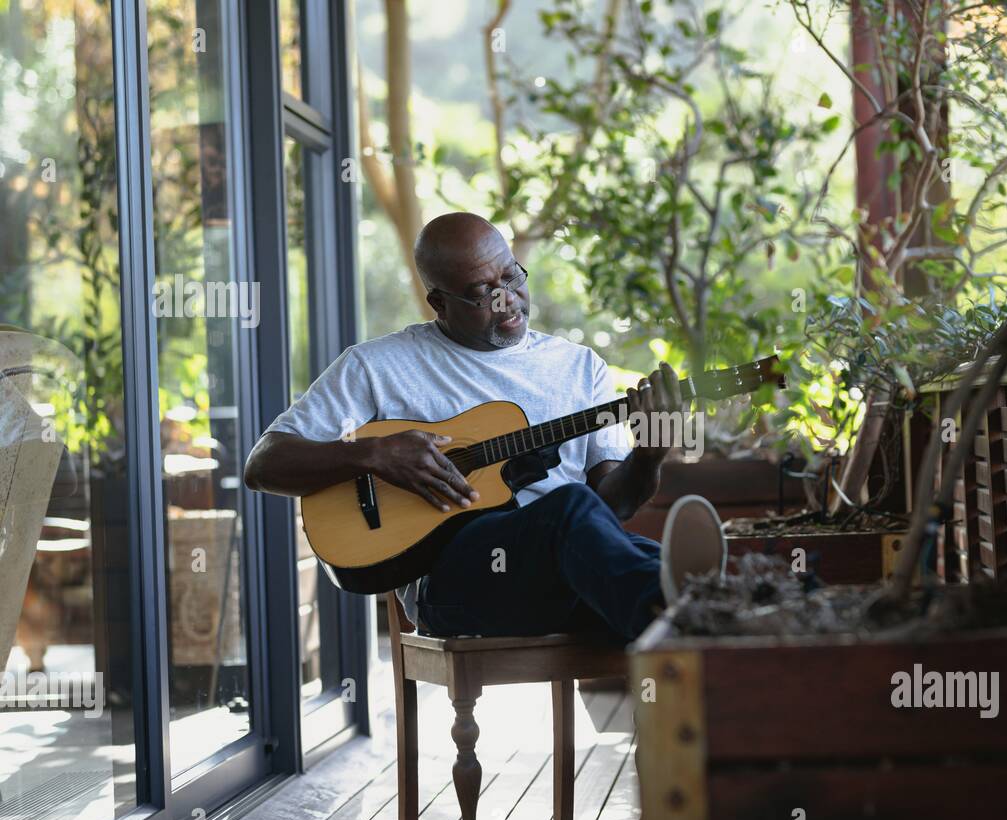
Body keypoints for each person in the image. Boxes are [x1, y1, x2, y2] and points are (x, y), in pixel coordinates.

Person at [243, 211, 723, 644]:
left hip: (571, 571)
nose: (506, 299)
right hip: (458, 585)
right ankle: (684, 615)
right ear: (438, 302)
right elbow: (263, 465)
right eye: (480, 293)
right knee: (590, 525)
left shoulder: (579, 367)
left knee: (651, 562)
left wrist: (649, 455)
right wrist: (371, 455)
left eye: (511, 277)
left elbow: (613, 505)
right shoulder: (376, 367)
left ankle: (691, 618)